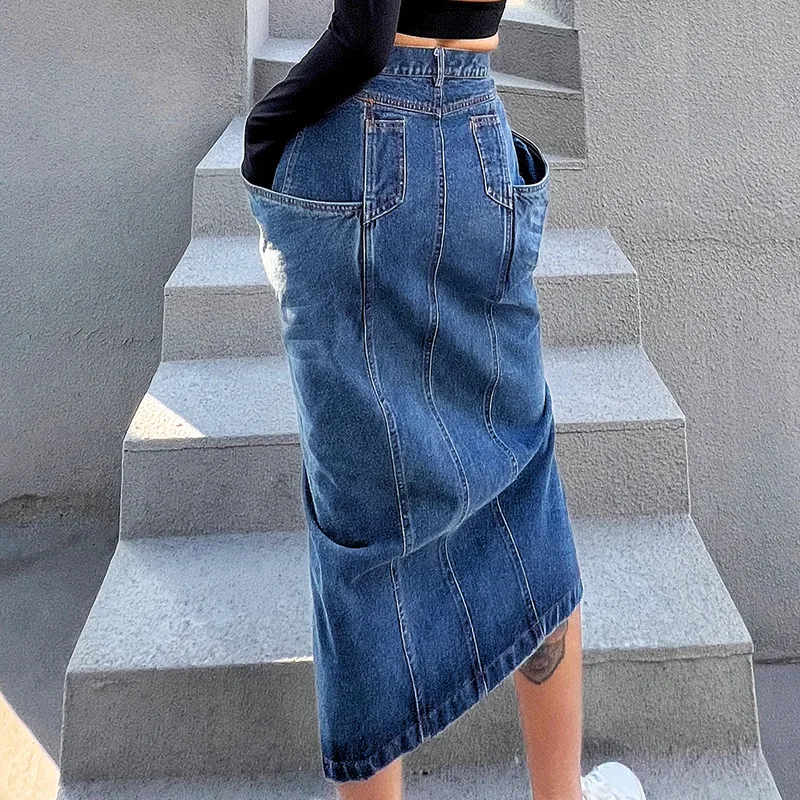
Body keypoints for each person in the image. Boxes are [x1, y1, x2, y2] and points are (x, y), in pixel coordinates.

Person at [240, 2, 647, 799]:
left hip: (360, 144)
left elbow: (365, 36)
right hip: (475, 129)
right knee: (522, 477)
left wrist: (266, 129)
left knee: (361, 519)